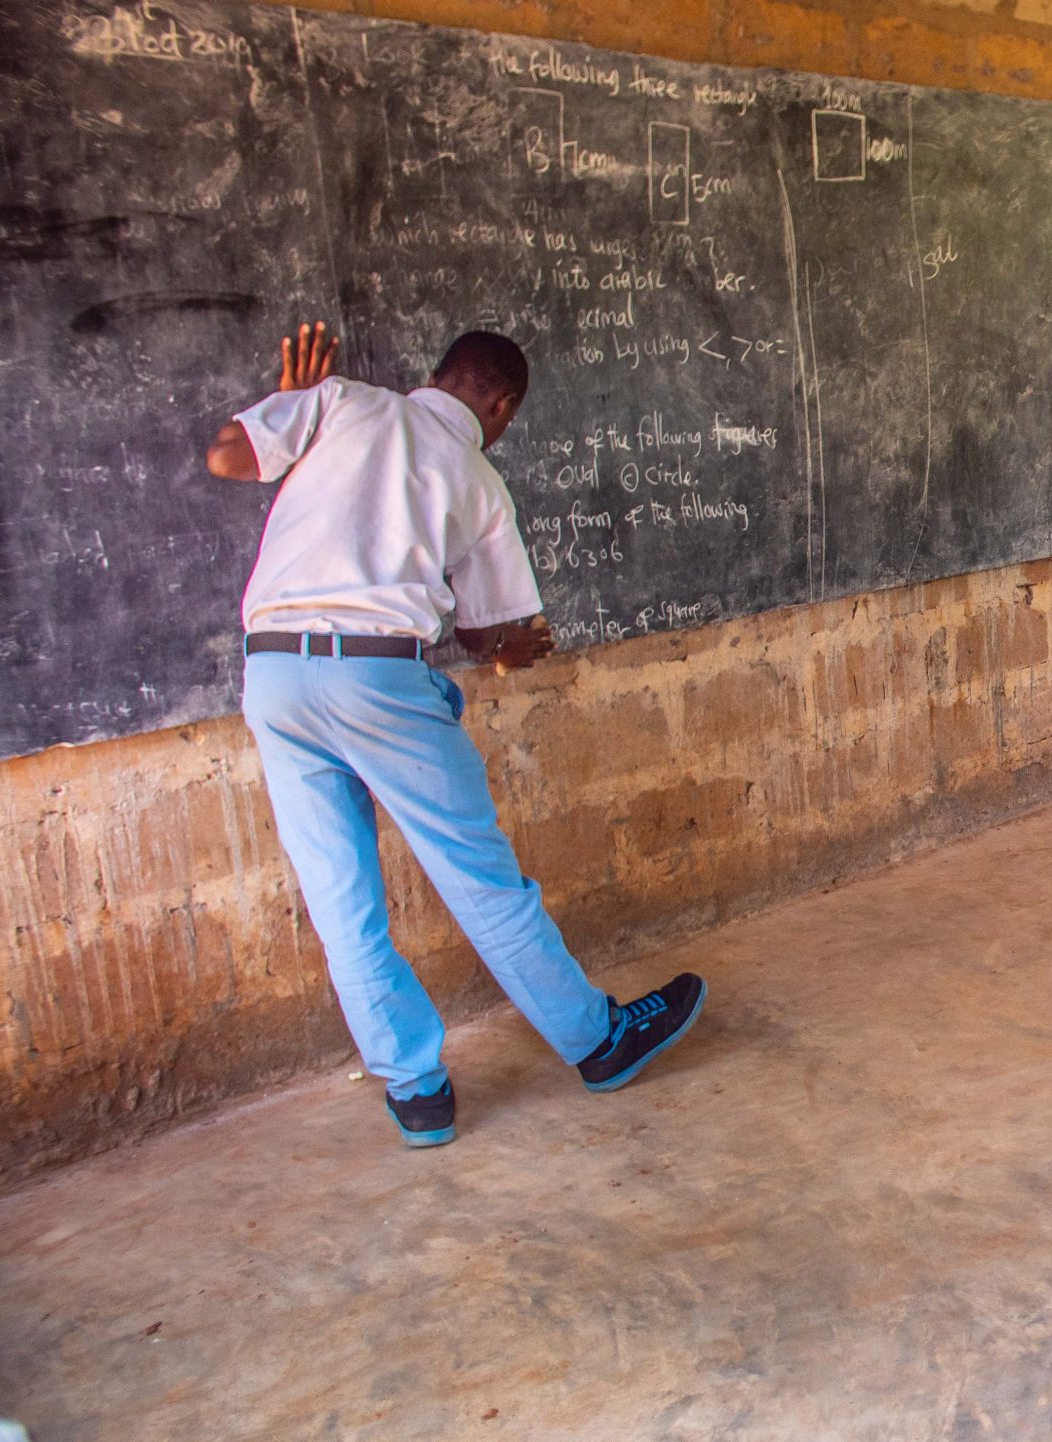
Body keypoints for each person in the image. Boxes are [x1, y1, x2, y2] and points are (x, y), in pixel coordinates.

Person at [206, 325, 705, 1147]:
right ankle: (597, 1041)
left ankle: (417, 1090)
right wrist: (511, 648)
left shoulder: (340, 403)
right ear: (500, 408)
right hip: (376, 677)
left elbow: (227, 454)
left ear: (434, 377)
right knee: (480, 877)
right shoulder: (476, 478)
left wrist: (288, 403)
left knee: (341, 899)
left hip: (272, 677)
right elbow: (493, 633)